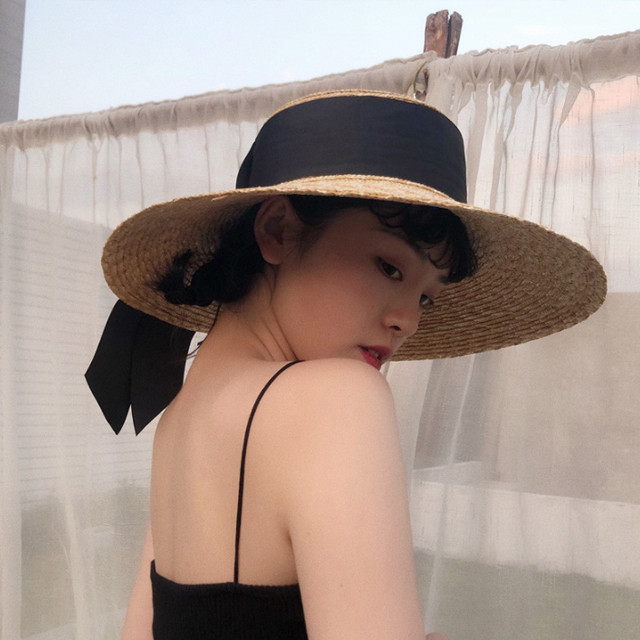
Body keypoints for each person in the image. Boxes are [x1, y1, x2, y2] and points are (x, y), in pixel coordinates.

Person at [86, 90, 606, 639]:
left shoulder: (177, 417)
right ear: (277, 230)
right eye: (389, 267)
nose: (408, 320)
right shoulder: (337, 399)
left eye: (426, 298)